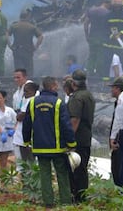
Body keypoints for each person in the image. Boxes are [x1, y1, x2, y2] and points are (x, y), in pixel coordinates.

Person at [23, 76, 77, 209]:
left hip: (40, 148)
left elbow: (27, 124)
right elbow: (66, 125)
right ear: (53, 86)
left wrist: (26, 141)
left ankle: (49, 203)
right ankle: (65, 202)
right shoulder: (58, 103)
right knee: (62, 174)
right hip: (57, 148)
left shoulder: (32, 103)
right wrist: (71, 144)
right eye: (56, 84)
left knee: (45, 175)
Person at [67, 69, 95, 203]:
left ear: (73, 83)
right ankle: (82, 196)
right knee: (82, 168)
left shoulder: (76, 97)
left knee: (76, 169)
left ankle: (77, 197)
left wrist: (69, 140)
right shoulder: (88, 95)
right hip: (86, 137)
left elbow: (74, 120)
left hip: (77, 138)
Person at [7, 10, 43, 76]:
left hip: (17, 49)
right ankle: (29, 83)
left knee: (18, 69)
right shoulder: (32, 27)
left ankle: (19, 83)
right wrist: (36, 46)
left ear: (20, 17)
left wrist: (9, 45)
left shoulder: (14, 26)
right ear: (28, 17)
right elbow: (40, 36)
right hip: (28, 50)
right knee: (29, 69)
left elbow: (6, 34)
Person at [102, 0, 123, 78]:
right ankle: (106, 83)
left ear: (121, 6)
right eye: (115, 6)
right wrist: (111, 35)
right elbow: (104, 28)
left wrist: (121, 33)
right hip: (109, 44)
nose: (117, 8)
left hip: (122, 44)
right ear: (113, 6)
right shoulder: (107, 15)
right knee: (106, 64)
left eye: (119, 6)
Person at [11, 69, 35, 168]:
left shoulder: (31, 89)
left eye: (19, 77)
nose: (16, 80)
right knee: (20, 158)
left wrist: (21, 115)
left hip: (29, 126)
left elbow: (26, 111)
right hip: (19, 126)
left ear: (25, 77)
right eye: (15, 78)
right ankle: (24, 180)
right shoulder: (17, 93)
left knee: (30, 157)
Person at [83, 0, 111, 76]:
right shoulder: (108, 13)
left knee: (92, 55)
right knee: (101, 55)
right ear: (107, 3)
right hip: (103, 38)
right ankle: (98, 73)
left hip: (92, 37)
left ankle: (90, 72)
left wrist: (87, 35)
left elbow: (86, 24)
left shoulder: (91, 10)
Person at [107, 77, 123, 186]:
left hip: (119, 138)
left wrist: (113, 139)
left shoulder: (121, 102)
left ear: (118, 89)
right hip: (119, 137)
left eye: (113, 88)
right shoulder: (117, 102)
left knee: (118, 165)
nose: (111, 90)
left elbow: (118, 122)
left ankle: (121, 188)